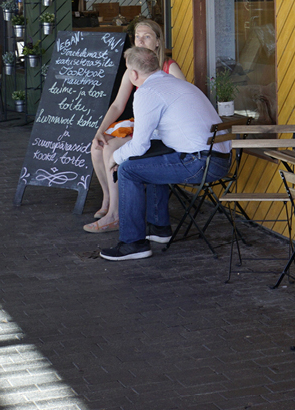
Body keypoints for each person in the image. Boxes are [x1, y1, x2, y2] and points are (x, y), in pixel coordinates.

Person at [99, 46, 230, 262]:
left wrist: (114, 158)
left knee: (129, 170)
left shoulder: (146, 92)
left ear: (133, 74)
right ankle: (159, 228)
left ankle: (133, 243)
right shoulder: (177, 84)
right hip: (221, 160)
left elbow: (139, 145)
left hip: (201, 163)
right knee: (148, 162)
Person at [84, 19, 186, 233]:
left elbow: (183, 99)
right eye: (137, 36)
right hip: (142, 126)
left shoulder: (169, 66)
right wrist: (100, 131)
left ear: (158, 42)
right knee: (98, 146)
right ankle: (109, 200)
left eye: (146, 36)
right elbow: (117, 105)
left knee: (111, 148)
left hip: (161, 132)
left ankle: (115, 216)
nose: (140, 40)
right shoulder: (133, 67)